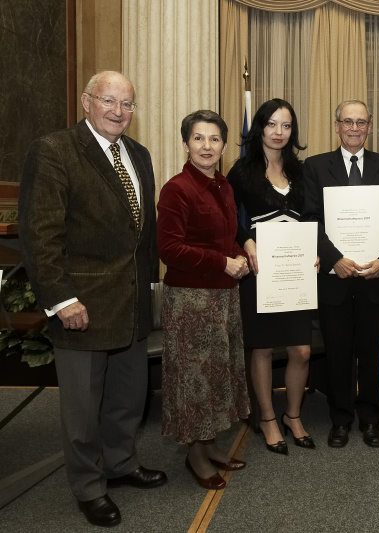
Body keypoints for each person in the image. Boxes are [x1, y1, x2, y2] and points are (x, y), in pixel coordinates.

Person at [19, 70, 166, 527]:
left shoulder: (138, 154)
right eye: (109, 101)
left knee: (128, 398)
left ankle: (119, 464)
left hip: (131, 302)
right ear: (86, 101)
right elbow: (40, 235)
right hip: (81, 304)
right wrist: (62, 300)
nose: (118, 112)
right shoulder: (55, 151)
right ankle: (88, 486)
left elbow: (142, 232)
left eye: (127, 104)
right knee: (82, 408)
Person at [302, 100, 379, 448]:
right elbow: (310, 220)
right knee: (337, 354)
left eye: (361, 122)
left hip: (374, 279)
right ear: (336, 126)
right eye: (347, 121)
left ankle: (371, 419)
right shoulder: (315, 167)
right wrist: (334, 258)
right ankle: (340, 419)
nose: (354, 128)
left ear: (370, 126)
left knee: (370, 355)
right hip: (334, 279)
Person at [157, 110, 250, 491]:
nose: (207, 146)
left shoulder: (223, 186)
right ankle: (195, 454)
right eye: (198, 138)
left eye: (214, 139)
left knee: (216, 376)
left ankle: (209, 443)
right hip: (191, 302)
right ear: (185, 144)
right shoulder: (177, 189)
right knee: (194, 379)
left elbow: (223, 237)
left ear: (225, 146)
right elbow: (169, 249)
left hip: (224, 298)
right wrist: (223, 261)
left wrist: (238, 257)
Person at [228, 98, 316, 453]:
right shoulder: (240, 171)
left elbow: (312, 217)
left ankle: (292, 415)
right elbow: (231, 217)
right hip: (259, 271)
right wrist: (246, 240)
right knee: (262, 349)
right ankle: (267, 418)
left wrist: (315, 252)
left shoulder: (301, 171)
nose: (279, 132)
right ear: (259, 127)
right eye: (272, 124)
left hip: (296, 272)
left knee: (302, 350)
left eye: (286, 125)